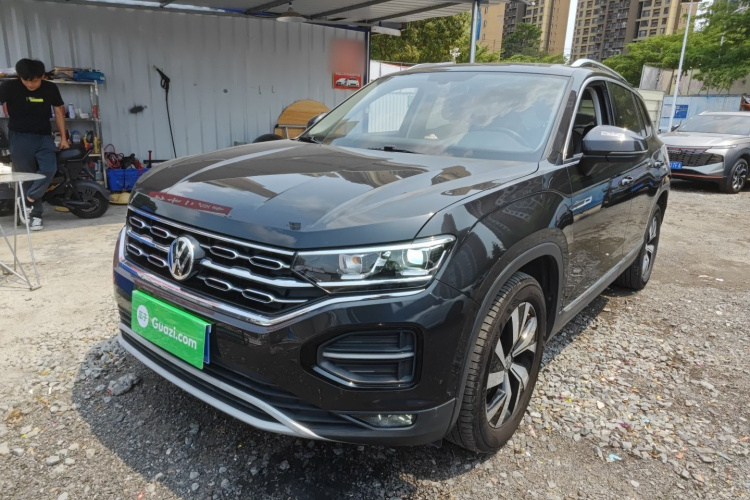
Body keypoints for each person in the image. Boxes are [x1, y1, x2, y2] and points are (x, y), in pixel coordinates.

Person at [0, 58, 69, 231]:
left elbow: (59, 112)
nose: (31, 84)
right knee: (27, 176)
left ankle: (27, 201)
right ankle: (35, 215)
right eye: (27, 80)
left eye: (35, 80)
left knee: (49, 169)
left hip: (44, 136)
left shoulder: (50, 88)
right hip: (20, 137)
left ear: (43, 76)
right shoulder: (9, 87)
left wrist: (64, 138)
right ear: (20, 76)